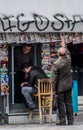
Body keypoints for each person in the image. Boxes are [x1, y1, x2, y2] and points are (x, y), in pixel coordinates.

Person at [51, 39, 74, 125]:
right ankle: (71, 120)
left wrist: (53, 89)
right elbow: (68, 53)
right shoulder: (68, 60)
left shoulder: (56, 64)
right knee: (69, 103)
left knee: (61, 104)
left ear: (58, 54)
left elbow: (54, 78)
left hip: (60, 87)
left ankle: (62, 120)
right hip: (68, 85)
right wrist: (64, 46)